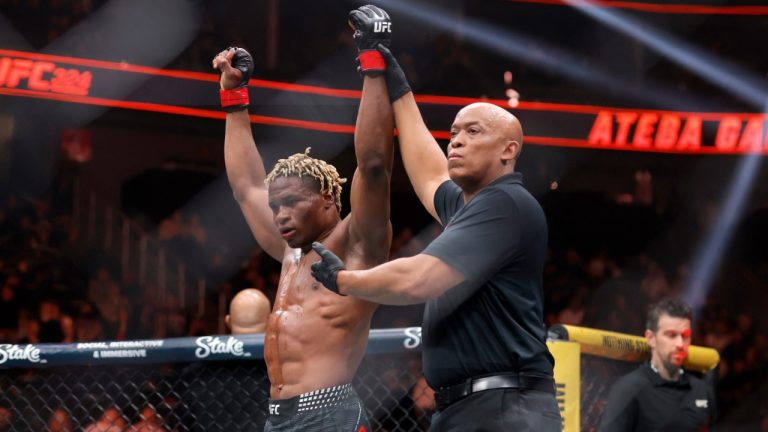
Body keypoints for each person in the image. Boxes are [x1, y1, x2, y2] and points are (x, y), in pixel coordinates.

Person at [310, 13, 561, 431]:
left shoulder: (506, 205)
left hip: (504, 408)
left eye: (473, 132)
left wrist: (345, 281)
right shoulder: (472, 206)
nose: (457, 140)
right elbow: (428, 173)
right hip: (470, 406)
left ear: (508, 150)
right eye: (454, 132)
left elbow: (420, 279)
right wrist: (398, 84)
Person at [211, 5, 394, 430]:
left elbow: (373, 166)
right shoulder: (290, 253)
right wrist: (234, 98)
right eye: (277, 205)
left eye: (293, 201)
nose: (280, 213)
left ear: (329, 198)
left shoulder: (358, 243)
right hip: (279, 417)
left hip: (330, 413)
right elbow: (246, 188)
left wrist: (373, 59)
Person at [599, 298, 715, 431]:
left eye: (685, 336)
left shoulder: (701, 391)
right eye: (671, 335)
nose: (680, 344)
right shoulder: (628, 389)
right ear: (651, 338)